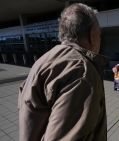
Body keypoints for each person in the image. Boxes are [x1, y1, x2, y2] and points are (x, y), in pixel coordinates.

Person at [18, 3, 107, 141]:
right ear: (93, 34)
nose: (100, 39)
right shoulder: (82, 71)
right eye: (100, 34)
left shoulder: (42, 61)